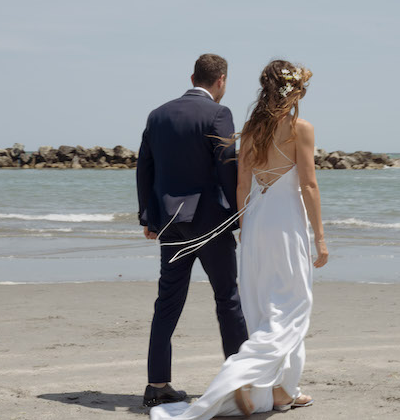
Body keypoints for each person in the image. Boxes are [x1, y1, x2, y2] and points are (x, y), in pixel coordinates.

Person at [149, 59, 329, 419]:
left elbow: (242, 185)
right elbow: (308, 185)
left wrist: (246, 229)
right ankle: (243, 379)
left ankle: (281, 390)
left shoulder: (249, 130)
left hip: (257, 225)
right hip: (286, 225)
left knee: (263, 307)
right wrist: (320, 239)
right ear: (292, 91)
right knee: (292, 308)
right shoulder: (301, 129)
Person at [137, 53, 249, 408]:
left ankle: (157, 384)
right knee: (227, 299)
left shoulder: (158, 115)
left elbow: (145, 169)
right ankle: (239, 384)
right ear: (221, 81)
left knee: (167, 301)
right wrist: (239, 214)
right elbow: (227, 168)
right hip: (211, 224)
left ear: (192, 77)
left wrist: (148, 218)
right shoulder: (219, 113)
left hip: (170, 223)